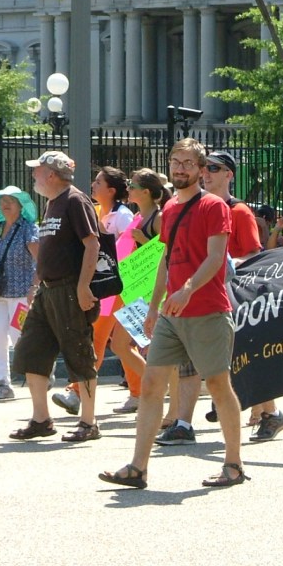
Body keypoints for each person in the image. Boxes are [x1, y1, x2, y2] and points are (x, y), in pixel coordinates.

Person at [99, 138, 247, 489]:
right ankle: (137, 467)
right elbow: (165, 260)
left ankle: (234, 465)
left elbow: (216, 258)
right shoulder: (170, 210)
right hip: (171, 313)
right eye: (175, 162)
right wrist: (153, 307)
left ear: (200, 169)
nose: (180, 168)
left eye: (188, 163)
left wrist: (188, 289)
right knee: (152, 384)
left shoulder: (214, 206)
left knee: (218, 385)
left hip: (207, 310)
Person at [156, 150, 270, 446]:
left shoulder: (237, 211)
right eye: (205, 167)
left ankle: (269, 412)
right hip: (188, 300)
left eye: (214, 168)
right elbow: (169, 256)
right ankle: (183, 423)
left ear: (229, 174)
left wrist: (225, 263)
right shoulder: (182, 206)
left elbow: (254, 255)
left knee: (241, 359)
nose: (207, 173)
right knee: (189, 366)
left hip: (231, 296)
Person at [9, 151, 102, 442]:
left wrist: (84, 287)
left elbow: (92, 245)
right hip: (48, 291)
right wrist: (36, 284)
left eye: (37, 170)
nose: (33, 175)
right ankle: (41, 420)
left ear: (51, 174)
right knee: (31, 352)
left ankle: (89, 422)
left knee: (79, 354)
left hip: (69, 290)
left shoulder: (75, 200)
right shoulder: (52, 203)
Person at [51, 166, 135, 415]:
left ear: (111, 190)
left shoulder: (123, 216)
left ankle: (76, 392)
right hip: (103, 286)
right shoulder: (96, 211)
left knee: (97, 338)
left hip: (117, 289)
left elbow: (130, 251)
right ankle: (140, 391)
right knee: (119, 344)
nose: (93, 185)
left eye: (99, 182)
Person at [106, 168, 166, 415]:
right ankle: (157, 388)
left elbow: (167, 255)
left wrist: (143, 240)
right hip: (134, 290)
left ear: (146, 192)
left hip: (152, 293)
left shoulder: (159, 218)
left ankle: (157, 394)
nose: (128, 189)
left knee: (148, 347)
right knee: (120, 345)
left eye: (133, 186)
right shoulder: (137, 217)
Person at [0, 186, 40, 400]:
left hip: (21, 292)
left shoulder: (29, 228)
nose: (5, 204)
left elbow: (39, 259)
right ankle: (3, 383)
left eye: (11, 201)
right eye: (3, 201)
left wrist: (35, 286)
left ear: (21, 206)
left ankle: (38, 372)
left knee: (19, 335)